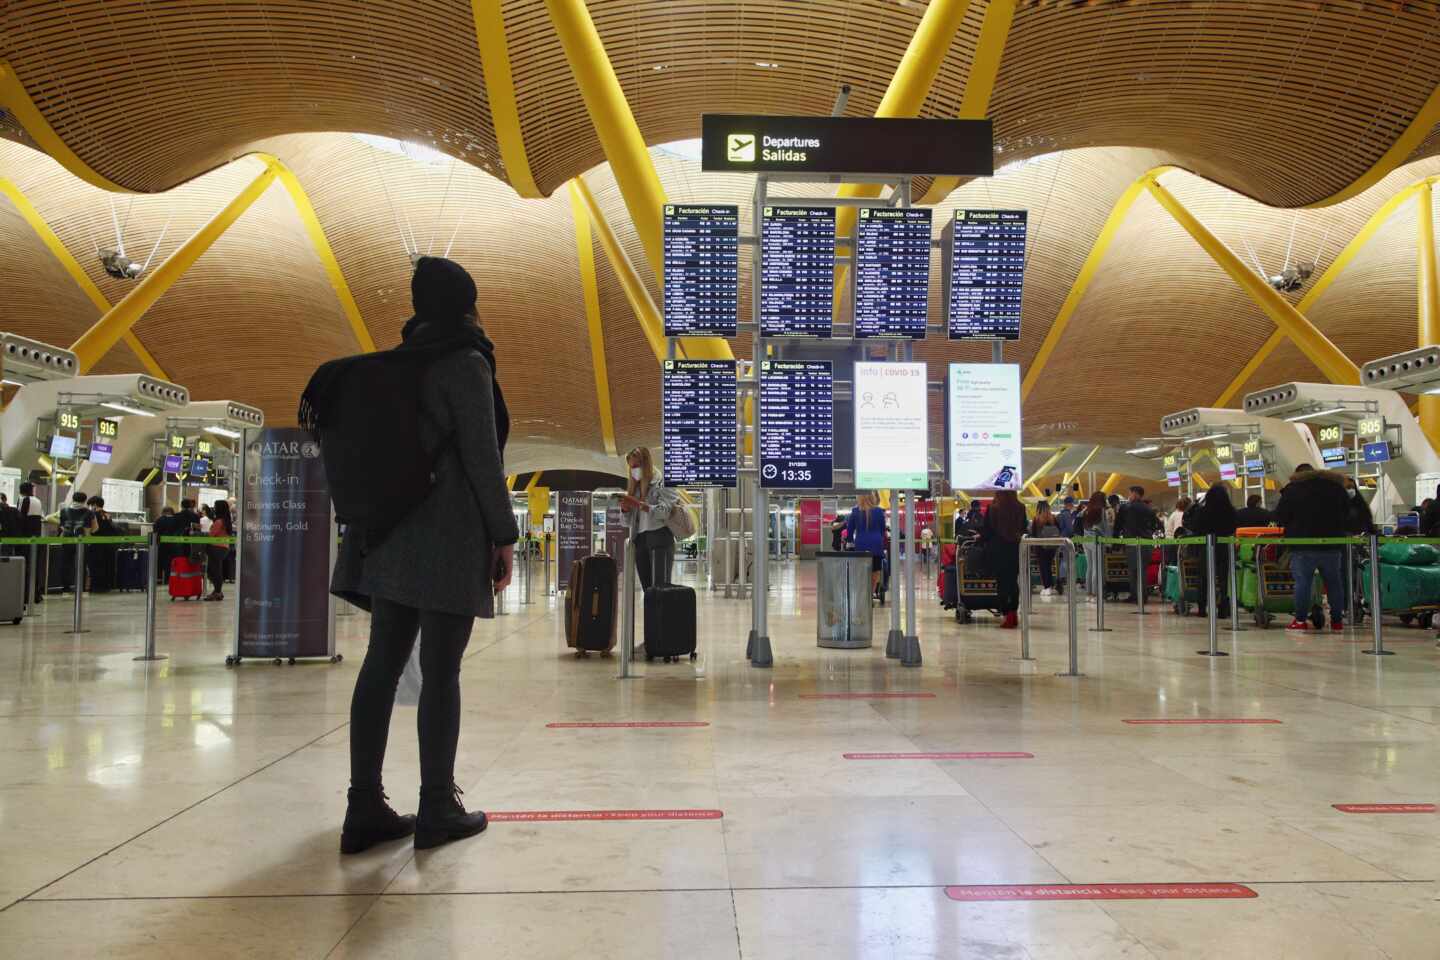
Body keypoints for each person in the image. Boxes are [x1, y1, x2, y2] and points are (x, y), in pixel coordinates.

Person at [327, 256, 518, 853]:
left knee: (381, 663)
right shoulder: (465, 362)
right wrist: (504, 535)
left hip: (389, 535)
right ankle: (436, 805)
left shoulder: (398, 363)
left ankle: (364, 807)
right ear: (466, 304)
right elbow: (484, 461)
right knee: (441, 671)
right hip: (448, 537)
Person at [1273, 463, 1349, 631]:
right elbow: (1348, 513)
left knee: (1303, 583)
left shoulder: (1293, 489)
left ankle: (1300, 621)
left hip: (1302, 545)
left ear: (1297, 474)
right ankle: (1337, 622)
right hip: (1332, 544)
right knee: (1334, 584)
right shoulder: (1335, 487)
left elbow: (1280, 516)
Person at [621, 446, 678, 591]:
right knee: (647, 589)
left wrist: (641, 505)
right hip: (640, 539)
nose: (634, 470)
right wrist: (625, 509)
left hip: (660, 536)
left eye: (637, 465)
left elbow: (665, 512)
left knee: (660, 588)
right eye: (631, 467)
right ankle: (650, 614)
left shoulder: (662, 483)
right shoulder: (635, 488)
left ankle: (662, 614)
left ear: (646, 463)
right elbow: (626, 522)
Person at [1183, 483, 1238, 616]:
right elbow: (1234, 527)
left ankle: (1202, 608)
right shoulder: (1231, 511)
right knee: (1224, 579)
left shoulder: (1203, 511)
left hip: (1206, 547)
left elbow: (1195, 526)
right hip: (1224, 547)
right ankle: (1223, 608)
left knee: (1203, 578)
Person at [982, 489, 1028, 628]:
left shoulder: (993, 508)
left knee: (1001, 582)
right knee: (1013, 581)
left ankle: (1006, 613)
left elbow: (988, 531)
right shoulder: (1020, 507)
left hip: (998, 550)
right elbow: (1024, 527)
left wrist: (981, 537)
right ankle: (1013, 613)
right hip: (1015, 548)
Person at [1111, 486, 1158, 602]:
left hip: (1131, 542)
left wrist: (1115, 542)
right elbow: (1156, 525)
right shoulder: (1148, 509)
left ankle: (1135, 596)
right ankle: (1143, 596)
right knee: (1143, 569)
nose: (1129, 496)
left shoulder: (1125, 508)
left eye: (1130, 493)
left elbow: (1118, 526)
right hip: (1147, 542)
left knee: (1133, 570)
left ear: (1135, 494)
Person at [848, 492, 889, 603]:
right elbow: (882, 530)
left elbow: (849, 531)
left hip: (860, 545)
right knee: (875, 571)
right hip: (876, 544)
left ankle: (862, 593)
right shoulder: (879, 512)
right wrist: (882, 543)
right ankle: (870, 594)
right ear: (873, 498)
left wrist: (850, 543)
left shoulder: (855, 512)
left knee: (861, 571)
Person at [57, 490, 95, 593]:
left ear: (73, 499)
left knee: (66, 565)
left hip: (67, 540)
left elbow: (61, 526)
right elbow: (95, 528)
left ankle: (66, 588)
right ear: (84, 500)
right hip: (82, 541)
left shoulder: (64, 511)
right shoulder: (89, 512)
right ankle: (80, 587)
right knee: (81, 564)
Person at [1076, 491, 1109, 597]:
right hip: (1096, 540)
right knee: (1097, 567)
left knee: (1089, 566)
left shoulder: (1086, 510)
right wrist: (1108, 540)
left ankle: (1089, 591)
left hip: (1085, 540)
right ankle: (1096, 592)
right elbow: (1104, 527)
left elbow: (1078, 520)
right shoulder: (1101, 510)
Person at [86, 496, 119, 593]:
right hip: (109, 545)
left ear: (95, 505)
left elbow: (93, 529)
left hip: (97, 545)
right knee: (108, 565)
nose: (90, 507)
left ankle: (96, 587)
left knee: (96, 566)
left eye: (91, 505)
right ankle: (107, 586)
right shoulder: (107, 514)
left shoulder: (93, 514)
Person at [17, 483, 44, 602]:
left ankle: (24, 595)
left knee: (25, 566)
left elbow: (20, 517)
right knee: (34, 566)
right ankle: (36, 594)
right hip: (36, 537)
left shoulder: (24, 499)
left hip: (25, 538)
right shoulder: (37, 500)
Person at [1030, 501, 1062, 596]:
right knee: (1048, 566)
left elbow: (1034, 533)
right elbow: (1058, 530)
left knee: (1043, 567)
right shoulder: (1053, 518)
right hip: (1052, 546)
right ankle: (1050, 585)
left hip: (1041, 546)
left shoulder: (1037, 519)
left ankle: (1047, 587)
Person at [203, 500, 232, 601]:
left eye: (215, 506)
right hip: (224, 548)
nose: (214, 508)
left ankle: (217, 591)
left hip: (215, 548)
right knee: (217, 570)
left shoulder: (219, 522)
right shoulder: (226, 521)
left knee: (213, 571)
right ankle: (217, 592)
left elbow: (211, 535)